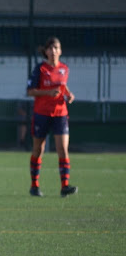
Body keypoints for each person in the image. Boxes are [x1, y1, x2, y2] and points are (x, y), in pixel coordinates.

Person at [27, 36, 77, 198]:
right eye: (50, 48)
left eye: (56, 48)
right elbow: (30, 91)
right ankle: (34, 186)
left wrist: (69, 95)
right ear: (46, 51)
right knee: (38, 149)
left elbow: (63, 86)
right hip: (41, 114)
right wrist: (47, 92)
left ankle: (65, 186)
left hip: (60, 114)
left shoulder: (64, 68)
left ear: (60, 51)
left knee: (62, 149)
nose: (53, 51)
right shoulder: (40, 69)